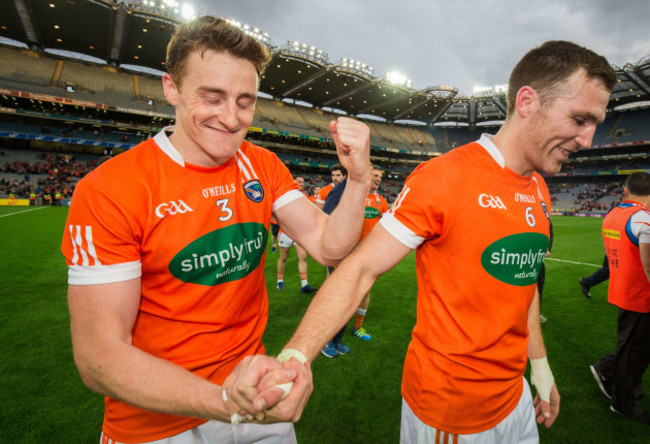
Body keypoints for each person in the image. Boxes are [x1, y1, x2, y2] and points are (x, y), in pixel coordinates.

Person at [244, 40, 616, 440]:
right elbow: (361, 267)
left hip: (516, 399)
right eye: (580, 119)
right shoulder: (444, 177)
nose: (589, 140)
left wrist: (539, 367)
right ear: (527, 101)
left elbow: (521, 283)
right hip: (451, 413)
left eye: (594, 123)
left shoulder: (539, 188)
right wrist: (296, 356)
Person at [61, 16, 370, 444]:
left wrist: (357, 181)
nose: (231, 118)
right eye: (212, 97)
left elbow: (329, 246)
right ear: (171, 88)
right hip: (156, 422)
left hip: (255, 390)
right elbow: (99, 357)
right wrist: (225, 400)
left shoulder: (260, 164)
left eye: (245, 101)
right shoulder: (110, 189)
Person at [589, 172, 650, 425]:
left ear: (626, 190)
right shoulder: (643, 219)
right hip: (641, 296)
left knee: (635, 348)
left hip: (622, 289)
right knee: (635, 351)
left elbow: (608, 252)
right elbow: (648, 266)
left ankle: (621, 385)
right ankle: (623, 401)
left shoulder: (613, 214)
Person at [276, 176, 318, 293]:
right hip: (285, 232)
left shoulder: (304, 197)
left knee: (303, 256)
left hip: (298, 232)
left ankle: (304, 285)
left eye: (302, 182)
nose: (301, 183)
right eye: (298, 181)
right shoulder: (285, 195)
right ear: (293, 182)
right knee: (283, 258)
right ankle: (279, 280)